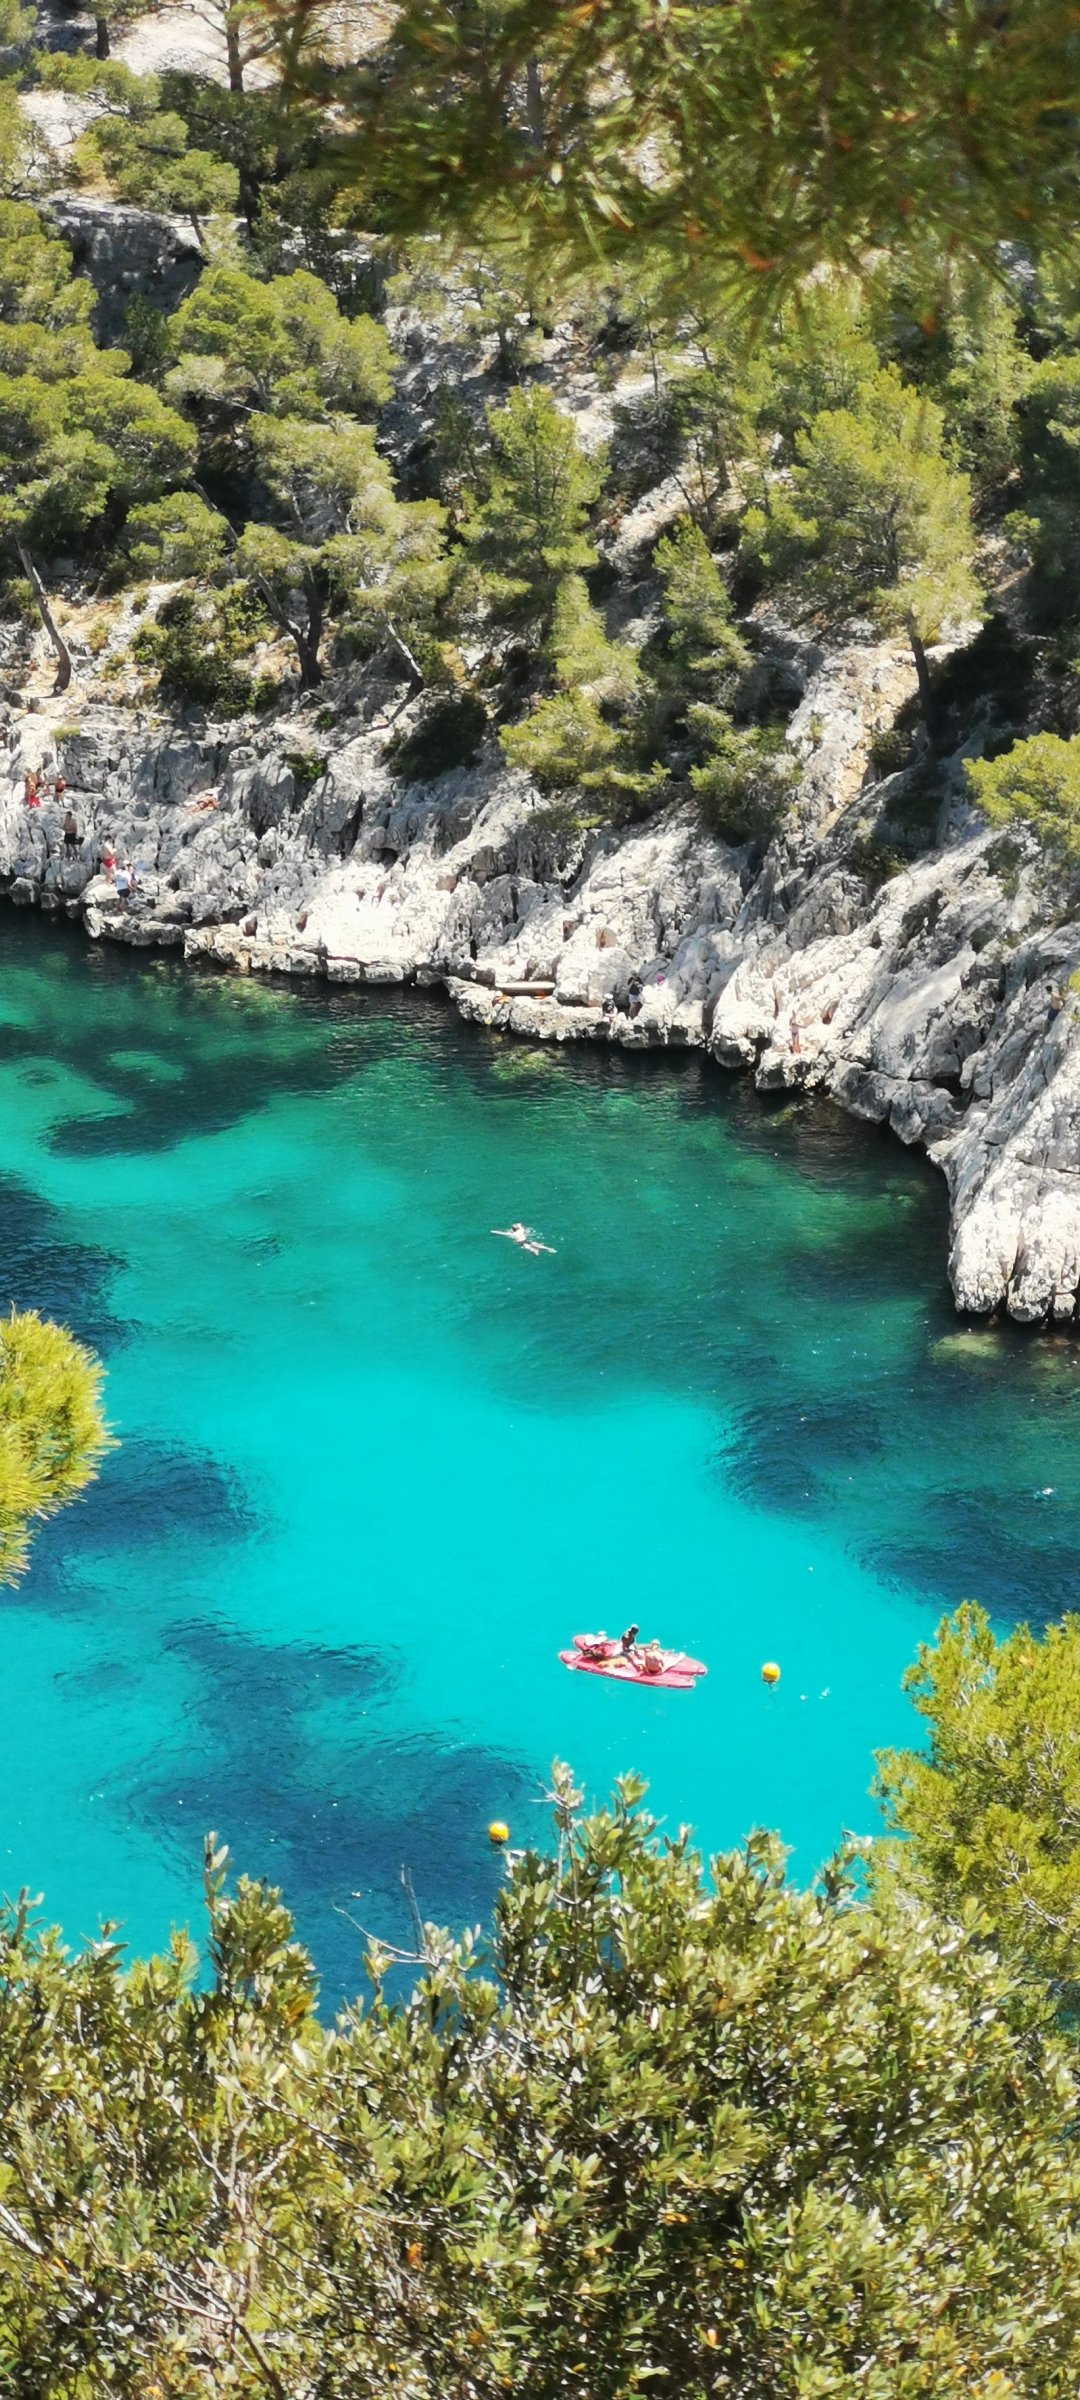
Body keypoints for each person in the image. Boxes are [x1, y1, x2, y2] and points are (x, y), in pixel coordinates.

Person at [491, 1222, 555, 1255]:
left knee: (532, 1249)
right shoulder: (521, 1230)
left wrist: (494, 1231)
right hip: (527, 1240)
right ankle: (549, 1249)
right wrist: (517, 1225)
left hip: (521, 1242)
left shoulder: (512, 1234)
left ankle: (536, 1250)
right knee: (535, 1244)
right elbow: (519, 1224)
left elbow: (502, 1233)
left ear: (513, 1229)